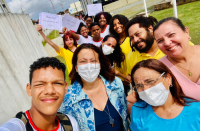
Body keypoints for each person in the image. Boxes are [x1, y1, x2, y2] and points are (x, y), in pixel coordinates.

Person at [58, 44, 129, 131]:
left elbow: (125, 108)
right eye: (83, 61)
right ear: (76, 67)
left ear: (100, 65)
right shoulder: (67, 98)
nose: (89, 66)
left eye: (93, 60)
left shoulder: (115, 83)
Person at [0, 57, 80, 131]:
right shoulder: (18, 127)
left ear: (65, 88)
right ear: (29, 89)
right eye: (40, 84)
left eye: (57, 83)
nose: (49, 91)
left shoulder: (71, 124)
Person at [130, 59, 200, 131]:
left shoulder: (196, 110)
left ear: (168, 78)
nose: (145, 89)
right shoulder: (138, 110)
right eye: (139, 86)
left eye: (150, 81)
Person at [154, 17, 200, 101]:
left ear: (186, 32)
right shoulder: (158, 68)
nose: (167, 43)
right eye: (160, 41)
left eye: (171, 35)